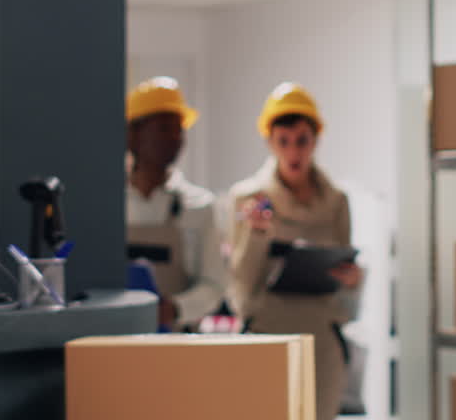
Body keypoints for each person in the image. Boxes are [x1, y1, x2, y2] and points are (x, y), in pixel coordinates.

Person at [225, 82, 363, 420]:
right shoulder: (249, 198)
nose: (293, 152)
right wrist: (256, 235)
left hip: (321, 338)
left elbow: (345, 278)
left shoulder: (336, 202)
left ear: (315, 140)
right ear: (270, 142)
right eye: (283, 141)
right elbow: (239, 286)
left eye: (302, 140)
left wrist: (352, 280)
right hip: (266, 335)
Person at [125, 76, 227, 331]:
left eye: (179, 129)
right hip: (116, 339)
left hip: (178, 342)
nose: (175, 138)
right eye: (163, 128)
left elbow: (215, 285)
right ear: (133, 136)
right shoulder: (107, 204)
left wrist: (176, 308)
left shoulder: (199, 206)